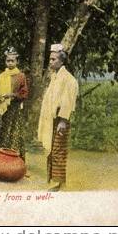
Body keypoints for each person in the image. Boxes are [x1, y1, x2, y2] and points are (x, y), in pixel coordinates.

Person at [38, 43, 79, 191]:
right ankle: (54, 180)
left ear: (61, 61)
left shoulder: (68, 79)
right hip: (52, 120)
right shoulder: (55, 77)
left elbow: (67, 102)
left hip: (60, 121)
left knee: (58, 150)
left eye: (53, 59)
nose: (50, 62)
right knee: (52, 149)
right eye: (50, 59)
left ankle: (59, 182)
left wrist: (63, 121)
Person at [0, 47, 29, 161]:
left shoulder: (20, 76)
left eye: (12, 61)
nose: (10, 63)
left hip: (14, 109)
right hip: (2, 109)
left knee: (15, 133)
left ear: (17, 61)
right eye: (8, 60)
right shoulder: (1, 76)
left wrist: (13, 95)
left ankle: (17, 161)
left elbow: (24, 93)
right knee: (4, 133)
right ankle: (5, 161)